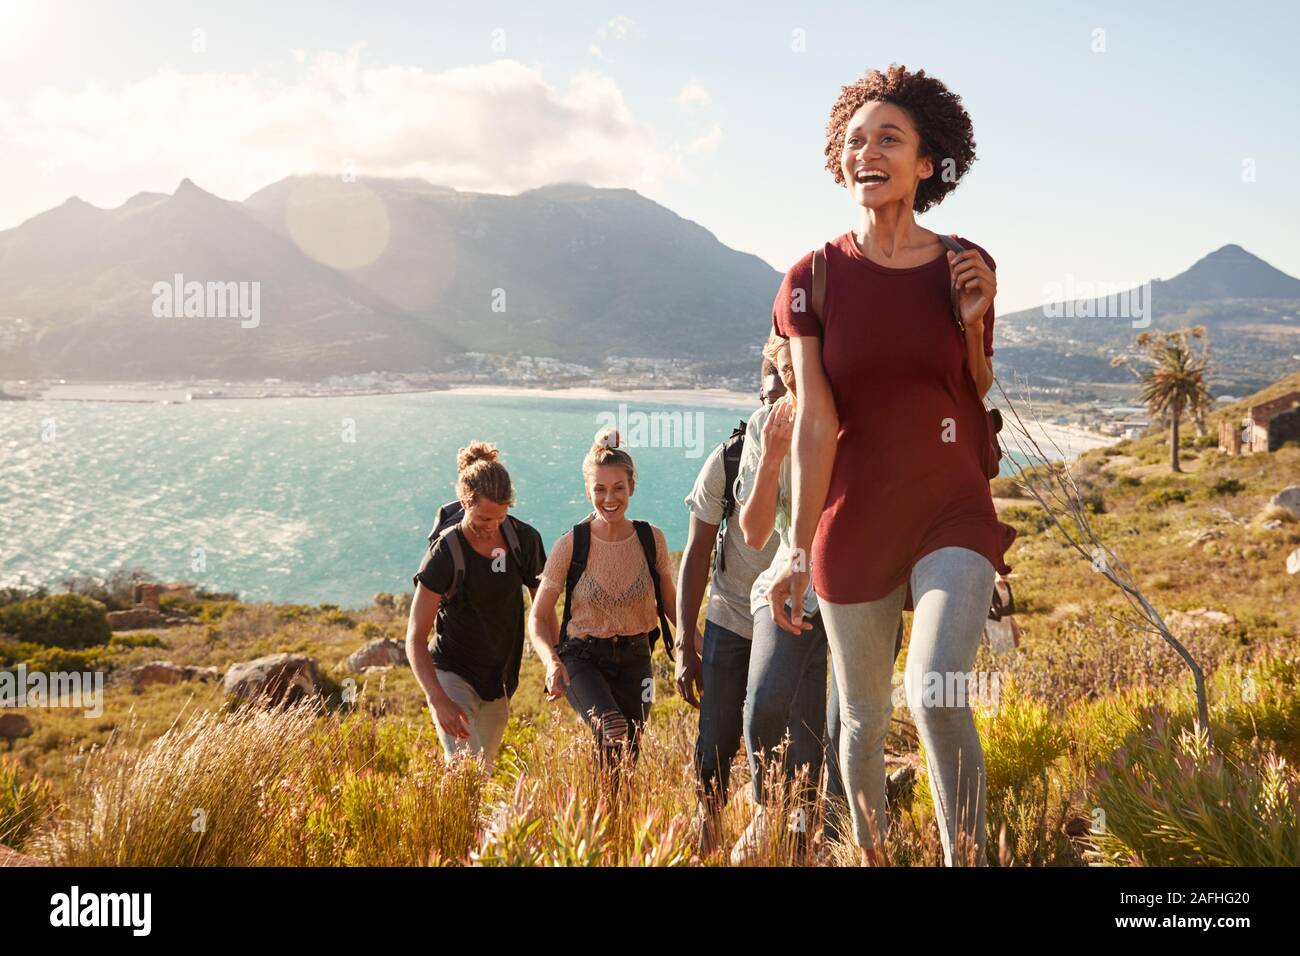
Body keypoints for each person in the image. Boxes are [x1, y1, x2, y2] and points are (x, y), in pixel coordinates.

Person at [767, 64, 1017, 866]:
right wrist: (793, 549)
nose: (867, 151)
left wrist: (975, 323)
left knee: (937, 689)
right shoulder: (813, 279)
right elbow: (814, 421)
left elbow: (973, 390)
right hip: (855, 517)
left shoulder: (965, 262)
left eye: (890, 138)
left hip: (952, 507)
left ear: (925, 163)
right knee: (863, 721)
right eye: (855, 141)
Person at [730, 333, 857, 864]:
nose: (789, 380)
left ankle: (833, 842)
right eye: (781, 370)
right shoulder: (765, 426)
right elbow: (755, 534)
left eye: (797, 368)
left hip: (855, 591)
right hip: (787, 584)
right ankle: (767, 809)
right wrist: (773, 456)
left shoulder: (855, 420)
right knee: (764, 701)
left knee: (840, 731)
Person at [676, 357, 784, 855]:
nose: (776, 405)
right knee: (716, 732)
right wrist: (684, 643)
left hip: (787, 619)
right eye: (768, 397)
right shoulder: (729, 459)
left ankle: (780, 828)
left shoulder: (818, 454)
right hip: (731, 613)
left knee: (774, 726)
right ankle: (707, 828)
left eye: (786, 394)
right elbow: (696, 554)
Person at [530, 428, 678, 770]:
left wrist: (699, 650)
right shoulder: (571, 544)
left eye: (617, 488)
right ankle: (605, 819)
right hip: (582, 659)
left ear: (632, 488)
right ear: (587, 491)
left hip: (638, 658)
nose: (609, 498)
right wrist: (551, 662)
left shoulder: (650, 538)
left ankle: (611, 821)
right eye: (599, 489)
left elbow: (671, 606)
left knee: (627, 759)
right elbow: (537, 618)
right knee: (612, 727)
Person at [406, 441, 547, 771]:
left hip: (499, 682)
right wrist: (437, 699)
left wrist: (553, 660)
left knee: (482, 771)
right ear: (465, 503)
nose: (492, 526)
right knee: (466, 767)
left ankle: (462, 823)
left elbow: (542, 610)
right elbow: (414, 637)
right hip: (452, 674)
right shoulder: (445, 552)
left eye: (500, 517)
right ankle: (445, 823)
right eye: (484, 517)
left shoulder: (524, 540)